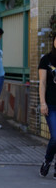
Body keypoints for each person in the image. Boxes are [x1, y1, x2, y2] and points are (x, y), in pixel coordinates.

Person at [38, 34, 56, 177]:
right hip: (51, 104)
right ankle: (47, 161)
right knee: (55, 137)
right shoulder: (46, 60)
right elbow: (42, 83)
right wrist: (43, 103)